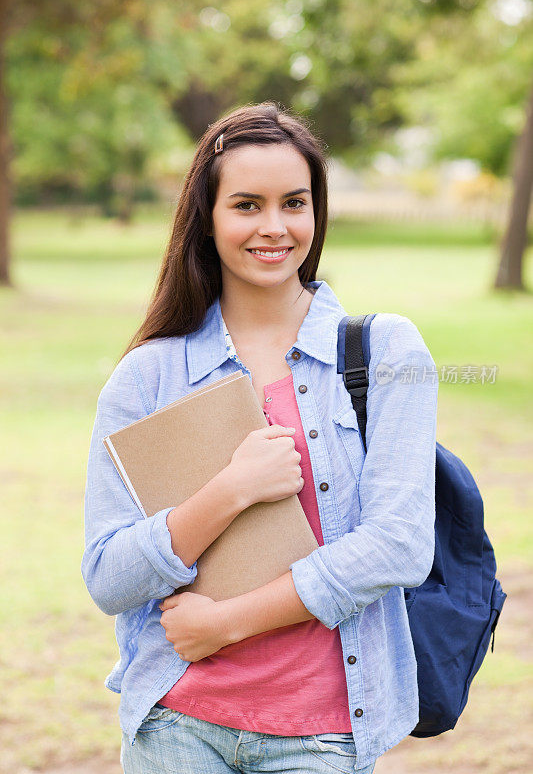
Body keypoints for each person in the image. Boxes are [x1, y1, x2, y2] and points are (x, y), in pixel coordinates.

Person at [82, 101, 439, 774]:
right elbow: (107, 577)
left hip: (321, 733)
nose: (274, 227)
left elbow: (398, 546)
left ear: (316, 212)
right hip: (175, 725)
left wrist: (227, 621)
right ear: (207, 219)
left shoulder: (385, 350)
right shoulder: (147, 376)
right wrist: (230, 491)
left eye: (293, 203)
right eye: (246, 205)